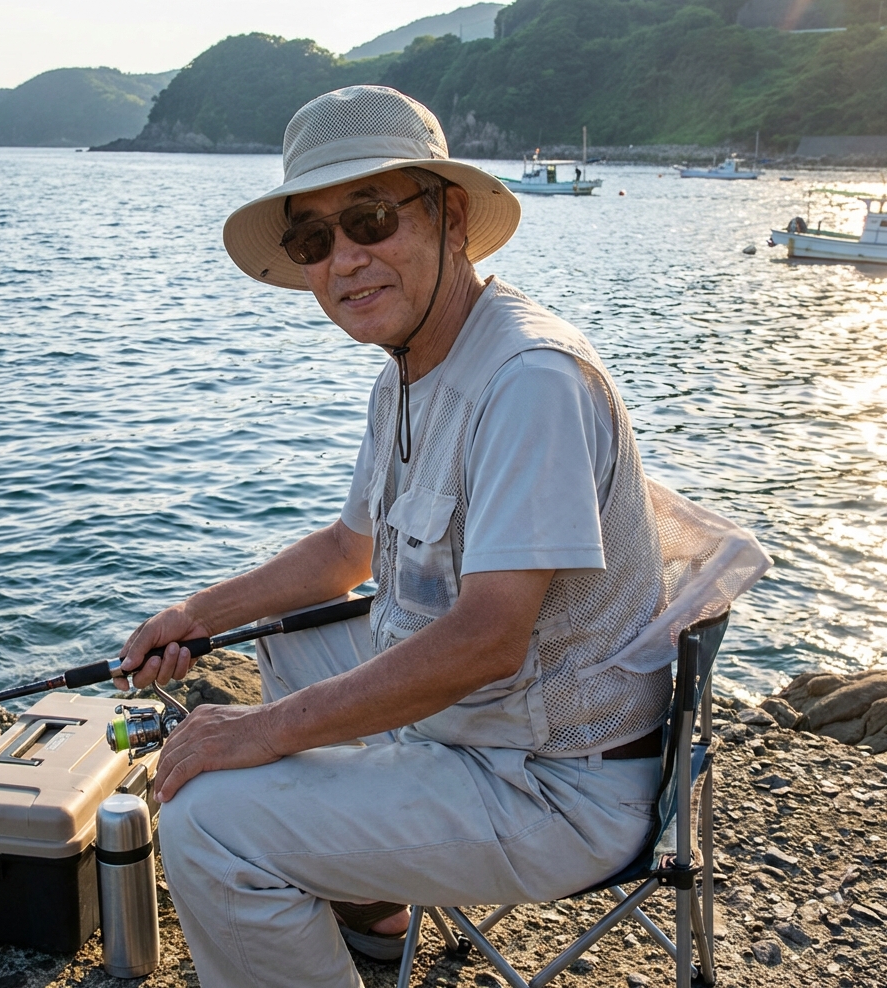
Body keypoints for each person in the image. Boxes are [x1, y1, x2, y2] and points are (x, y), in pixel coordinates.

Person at [116, 85, 769, 988]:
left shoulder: (529, 379)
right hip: (487, 719)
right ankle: (375, 908)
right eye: (314, 240)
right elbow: (347, 552)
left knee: (207, 824)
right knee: (280, 641)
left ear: (450, 218)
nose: (346, 260)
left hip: (555, 781)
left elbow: (488, 639)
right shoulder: (410, 367)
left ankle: (309, 876)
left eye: (371, 220)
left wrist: (260, 734)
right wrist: (196, 615)